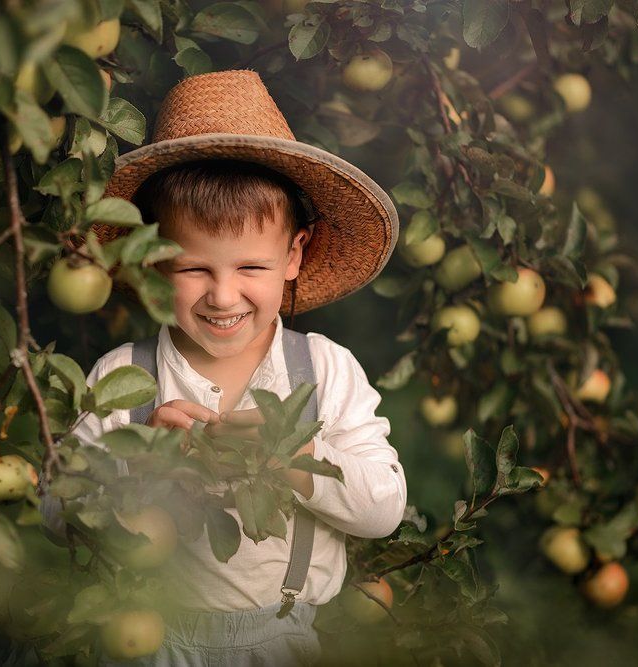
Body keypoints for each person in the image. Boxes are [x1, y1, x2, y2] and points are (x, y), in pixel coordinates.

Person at [74, 69, 407, 666]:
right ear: (149, 261)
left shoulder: (324, 371)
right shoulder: (125, 376)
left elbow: (383, 509)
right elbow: (61, 511)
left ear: (294, 256)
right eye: (194, 269)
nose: (223, 297)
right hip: (150, 640)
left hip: (284, 642)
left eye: (250, 268)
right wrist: (137, 463)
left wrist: (299, 462)